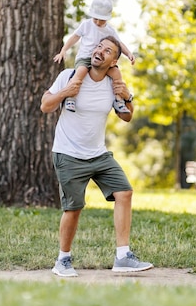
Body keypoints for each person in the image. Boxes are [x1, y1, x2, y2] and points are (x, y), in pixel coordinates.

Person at [41, 36, 153, 278]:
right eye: (99, 46)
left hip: (98, 154)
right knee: (74, 208)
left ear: (114, 61)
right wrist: (65, 93)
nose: (100, 51)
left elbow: (127, 117)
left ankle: (123, 256)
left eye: (108, 50)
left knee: (124, 192)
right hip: (68, 153)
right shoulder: (69, 76)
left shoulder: (113, 85)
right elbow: (45, 105)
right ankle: (63, 260)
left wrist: (128, 98)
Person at [53, 0, 135, 114]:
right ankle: (71, 97)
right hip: (86, 58)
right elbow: (75, 37)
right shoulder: (86, 25)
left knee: (116, 73)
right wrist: (64, 50)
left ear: (107, 18)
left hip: (101, 61)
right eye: (95, 18)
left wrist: (128, 54)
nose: (97, 22)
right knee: (80, 72)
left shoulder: (110, 30)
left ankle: (118, 100)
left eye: (101, 19)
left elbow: (119, 44)